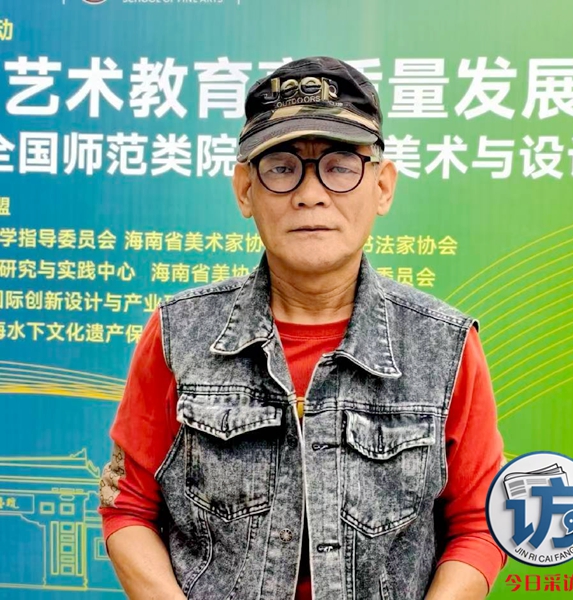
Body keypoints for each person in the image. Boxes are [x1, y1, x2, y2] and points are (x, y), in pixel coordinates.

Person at [99, 56, 506, 600]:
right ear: (245, 189)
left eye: (339, 166)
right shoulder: (178, 333)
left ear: (383, 187)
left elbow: (480, 524)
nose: (310, 193)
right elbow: (127, 506)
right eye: (281, 167)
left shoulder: (445, 345)